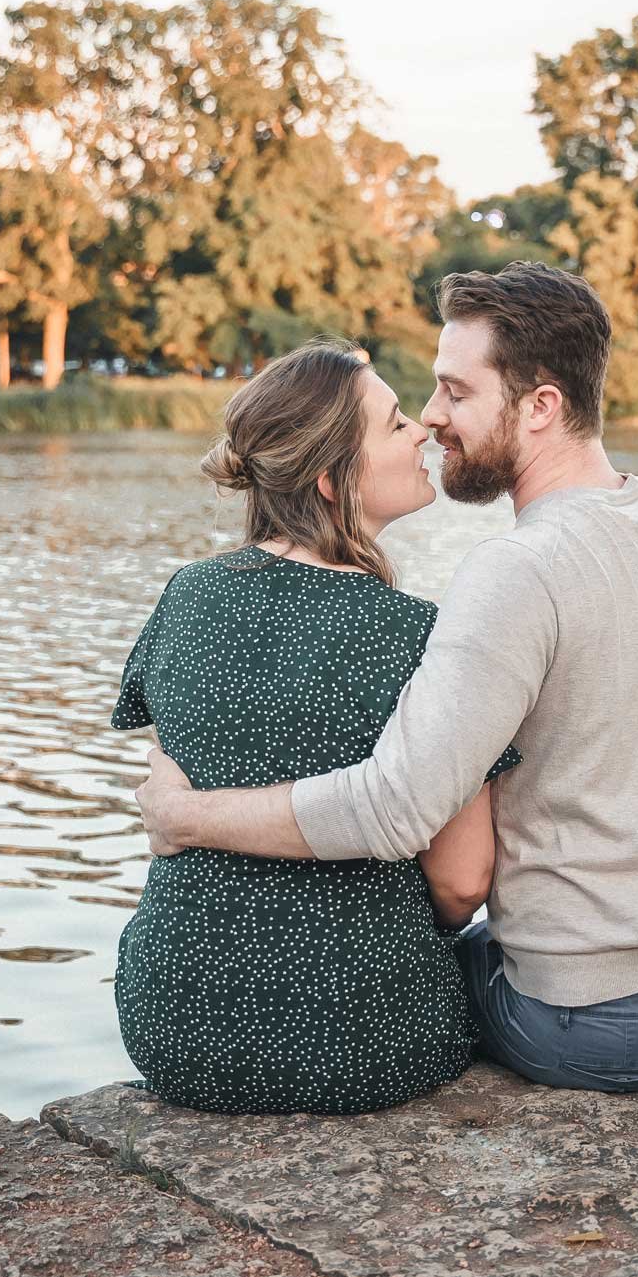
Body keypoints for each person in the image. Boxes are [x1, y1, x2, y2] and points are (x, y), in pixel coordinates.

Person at [138, 262, 638, 1094]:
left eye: (455, 392)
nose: (431, 417)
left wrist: (186, 816)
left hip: (605, 1020)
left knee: (417, 971)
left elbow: (394, 809)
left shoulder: (514, 571)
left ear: (540, 406)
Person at [111, 340, 519, 1115]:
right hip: (365, 1041)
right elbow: (463, 882)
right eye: (396, 424)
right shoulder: (422, 636)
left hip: (174, 1028)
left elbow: (171, 785)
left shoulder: (186, 596)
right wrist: (373, 933)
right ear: (333, 480)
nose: (422, 434)